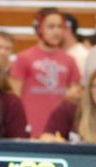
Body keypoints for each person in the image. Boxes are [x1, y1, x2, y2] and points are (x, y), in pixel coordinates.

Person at [10, 7, 81, 138]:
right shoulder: (24, 58)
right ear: (39, 29)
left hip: (59, 132)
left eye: (60, 27)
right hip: (30, 131)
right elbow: (15, 97)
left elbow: (75, 96)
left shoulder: (70, 60)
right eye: (51, 27)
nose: (57, 31)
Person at [61, 12, 89, 78]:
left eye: (58, 27)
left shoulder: (82, 55)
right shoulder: (57, 53)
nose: (55, 32)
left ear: (67, 29)